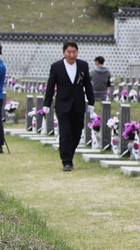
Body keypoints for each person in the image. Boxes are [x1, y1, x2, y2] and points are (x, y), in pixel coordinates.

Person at [42, 41, 95, 172]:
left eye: (74, 52)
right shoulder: (56, 67)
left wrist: (91, 102)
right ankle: (66, 161)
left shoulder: (83, 65)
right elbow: (50, 86)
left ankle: (69, 154)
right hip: (62, 105)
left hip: (78, 104)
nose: (71, 55)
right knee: (65, 133)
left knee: (77, 133)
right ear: (64, 53)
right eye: (69, 52)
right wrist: (46, 103)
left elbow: (87, 84)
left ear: (77, 52)